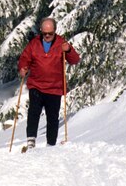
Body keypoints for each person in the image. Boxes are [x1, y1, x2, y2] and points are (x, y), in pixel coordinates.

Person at [17, 17, 80, 150]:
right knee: (34, 111)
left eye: (50, 33)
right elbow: (24, 59)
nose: (47, 36)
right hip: (36, 85)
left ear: (54, 31)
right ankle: (31, 141)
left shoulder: (61, 43)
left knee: (53, 117)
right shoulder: (34, 44)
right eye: (44, 33)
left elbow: (74, 60)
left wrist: (68, 50)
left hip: (54, 87)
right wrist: (23, 68)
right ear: (41, 31)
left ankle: (51, 145)